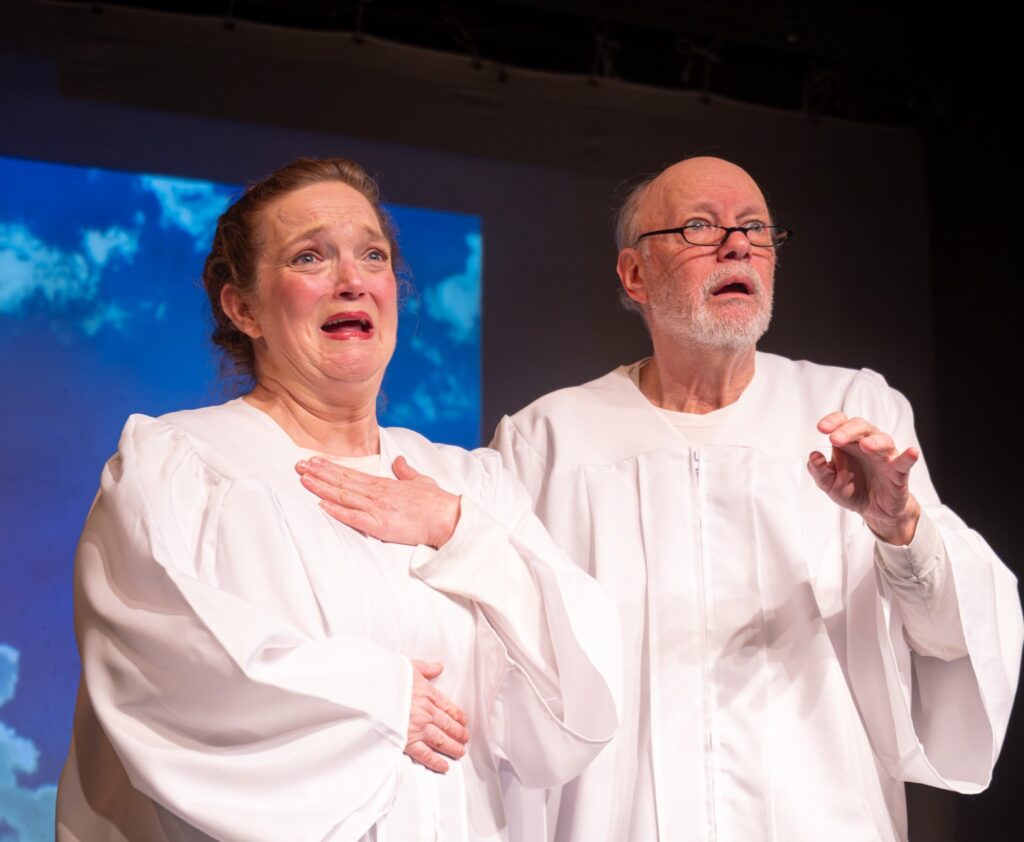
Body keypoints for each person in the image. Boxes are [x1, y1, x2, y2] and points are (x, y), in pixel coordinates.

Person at [56, 157, 619, 842]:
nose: (352, 280)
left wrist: (459, 533)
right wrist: (377, 699)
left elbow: (576, 703)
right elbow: (173, 667)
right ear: (243, 308)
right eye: (310, 257)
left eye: (372, 256)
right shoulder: (180, 466)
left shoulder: (469, 485)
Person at [491, 156, 1023, 842]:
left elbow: (951, 638)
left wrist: (901, 531)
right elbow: (502, 677)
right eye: (700, 227)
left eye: (755, 229)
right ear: (635, 274)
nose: (738, 245)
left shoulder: (850, 409)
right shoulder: (548, 442)